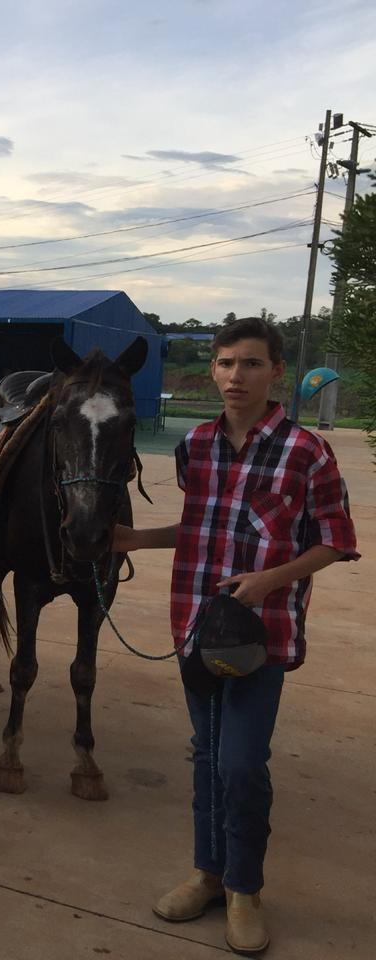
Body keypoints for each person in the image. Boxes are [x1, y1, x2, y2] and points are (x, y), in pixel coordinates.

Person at [113, 317, 358, 955]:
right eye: (225, 363)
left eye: (250, 363)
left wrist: (272, 579)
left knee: (242, 763)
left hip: (261, 634)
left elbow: (335, 542)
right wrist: (138, 538)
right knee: (206, 753)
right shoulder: (196, 445)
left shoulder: (306, 451)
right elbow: (200, 526)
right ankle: (208, 874)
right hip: (196, 624)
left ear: (276, 371)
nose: (234, 376)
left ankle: (245, 889)